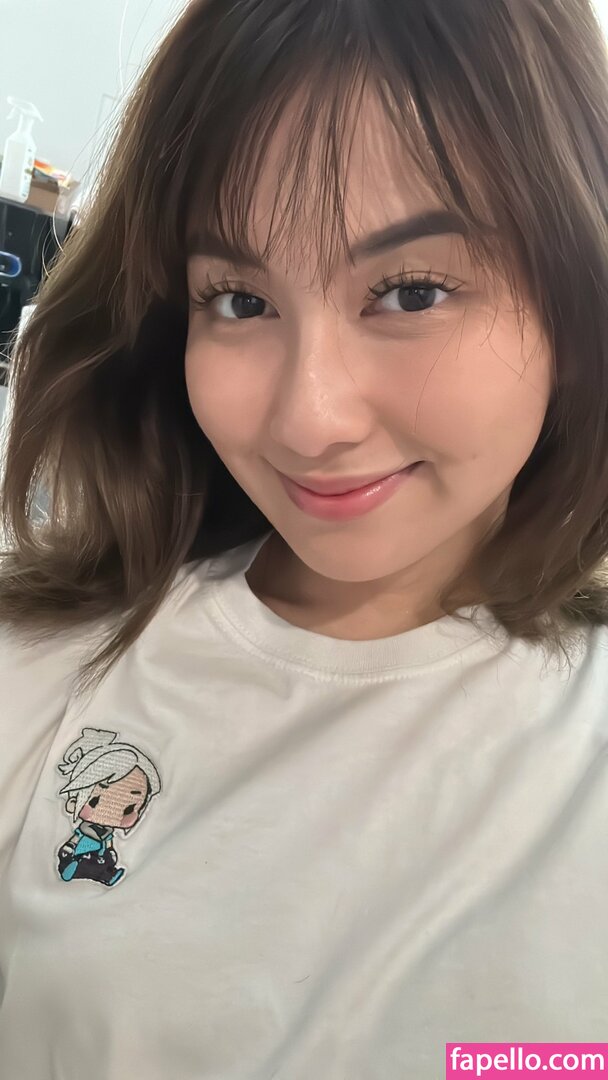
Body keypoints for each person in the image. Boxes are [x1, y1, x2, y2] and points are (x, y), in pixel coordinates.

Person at [0, 0, 607, 1076]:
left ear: (577, 307)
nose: (308, 419)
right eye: (238, 301)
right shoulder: (44, 663)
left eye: (410, 291)